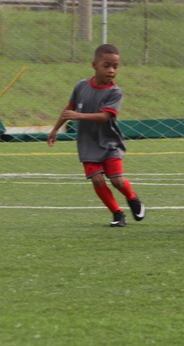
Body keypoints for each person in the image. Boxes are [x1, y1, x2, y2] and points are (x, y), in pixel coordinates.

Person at [47, 44, 145, 227]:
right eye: (106, 66)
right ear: (94, 65)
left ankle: (132, 197)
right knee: (97, 179)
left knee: (117, 181)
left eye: (115, 67)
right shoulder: (81, 86)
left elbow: (104, 116)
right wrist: (55, 129)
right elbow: (69, 108)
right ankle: (117, 213)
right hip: (88, 144)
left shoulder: (114, 92)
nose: (111, 71)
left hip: (109, 142)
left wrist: (79, 116)